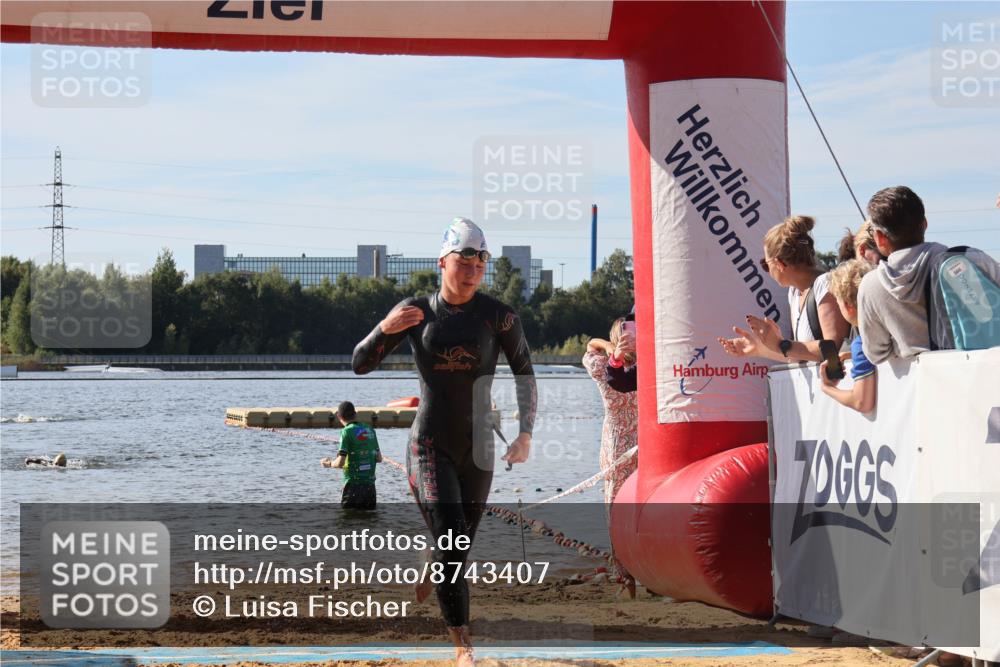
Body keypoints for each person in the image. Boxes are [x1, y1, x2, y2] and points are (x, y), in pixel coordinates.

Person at [352, 217, 536, 667]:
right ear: (443, 261)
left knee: (457, 548)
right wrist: (384, 327)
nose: (474, 268)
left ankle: (432, 559)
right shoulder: (417, 311)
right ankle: (463, 647)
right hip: (429, 445)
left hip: (480, 450)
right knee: (453, 542)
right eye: (465, 258)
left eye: (481, 260)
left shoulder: (499, 315)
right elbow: (360, 363)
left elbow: (525, 371)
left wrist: (526, 432)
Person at [858, 186, 1000, 363]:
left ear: (879, 237)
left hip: (928, 384)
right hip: (988, 371)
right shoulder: (968, 259)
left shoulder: (871, 285)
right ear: (924, 223)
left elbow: (875, 353)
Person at [718, 215, 851, 362]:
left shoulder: (825, 285)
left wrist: (780, 344)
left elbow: (832, 351)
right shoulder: (794, 293)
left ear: (779, 264)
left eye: (765, 264)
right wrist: (759, 348)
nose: (766, 270)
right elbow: (799, 356)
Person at [583, 318, 639, 598]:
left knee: (615, 510)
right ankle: (648, 572)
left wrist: (610, 346)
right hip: (646, 442)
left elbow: (590, 346)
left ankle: (625, 578)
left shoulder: (603, 367)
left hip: (617, 443)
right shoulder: (648, 367)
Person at [819, 260, 877, 413]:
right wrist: (853, 355)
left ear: (848, 306)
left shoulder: (861, 345)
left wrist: (828, 388)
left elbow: (862, 402)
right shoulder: (888, 331)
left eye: (837, 302)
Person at [321, 401, 382, 510]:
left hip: (352, 487)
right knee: (370, 521)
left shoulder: (346, 432)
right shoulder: (370, 429)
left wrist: (329, 463)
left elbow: (340, 463)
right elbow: (379, 458)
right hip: (370, 488)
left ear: (339, 416)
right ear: (355, 414)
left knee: (348, 522)